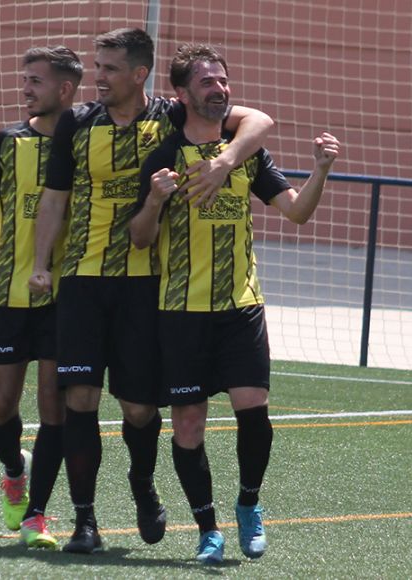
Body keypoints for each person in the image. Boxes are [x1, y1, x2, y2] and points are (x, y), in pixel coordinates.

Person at [28, 29, 275, 554]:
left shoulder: (170, 115)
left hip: (146, 285)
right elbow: (54, 198)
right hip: (82, 280)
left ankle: (143, 484)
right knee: (80, 398)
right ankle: (85, 520)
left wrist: (227, 160)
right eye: (98, 67)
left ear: (138, 75)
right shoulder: (77, 121)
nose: (98, 77)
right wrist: (40, 263)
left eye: (109, 69)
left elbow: (257, 122)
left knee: (139, 409)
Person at [130, 44, 340, 564]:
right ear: (182, 93)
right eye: (206, 82)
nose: (218, 89)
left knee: (254, 410)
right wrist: (155, 200)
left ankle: (249, 503)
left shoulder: (245, 154)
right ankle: (207, 528)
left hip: (240, 306)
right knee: (188, 425)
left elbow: (296, 213)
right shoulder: (164, 157)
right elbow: (138, 238)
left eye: (223, 80)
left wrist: (321, 170)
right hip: (180, 310)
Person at [0, 46, 83, 550]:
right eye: (25, 79)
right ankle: (14, 470)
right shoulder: (8, 142)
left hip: (64, 299)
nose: (25, 88)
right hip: (10, 294)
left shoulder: (87, 145)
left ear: (65, 90)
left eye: (36, 80)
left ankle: (37, 515)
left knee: (53, 405)